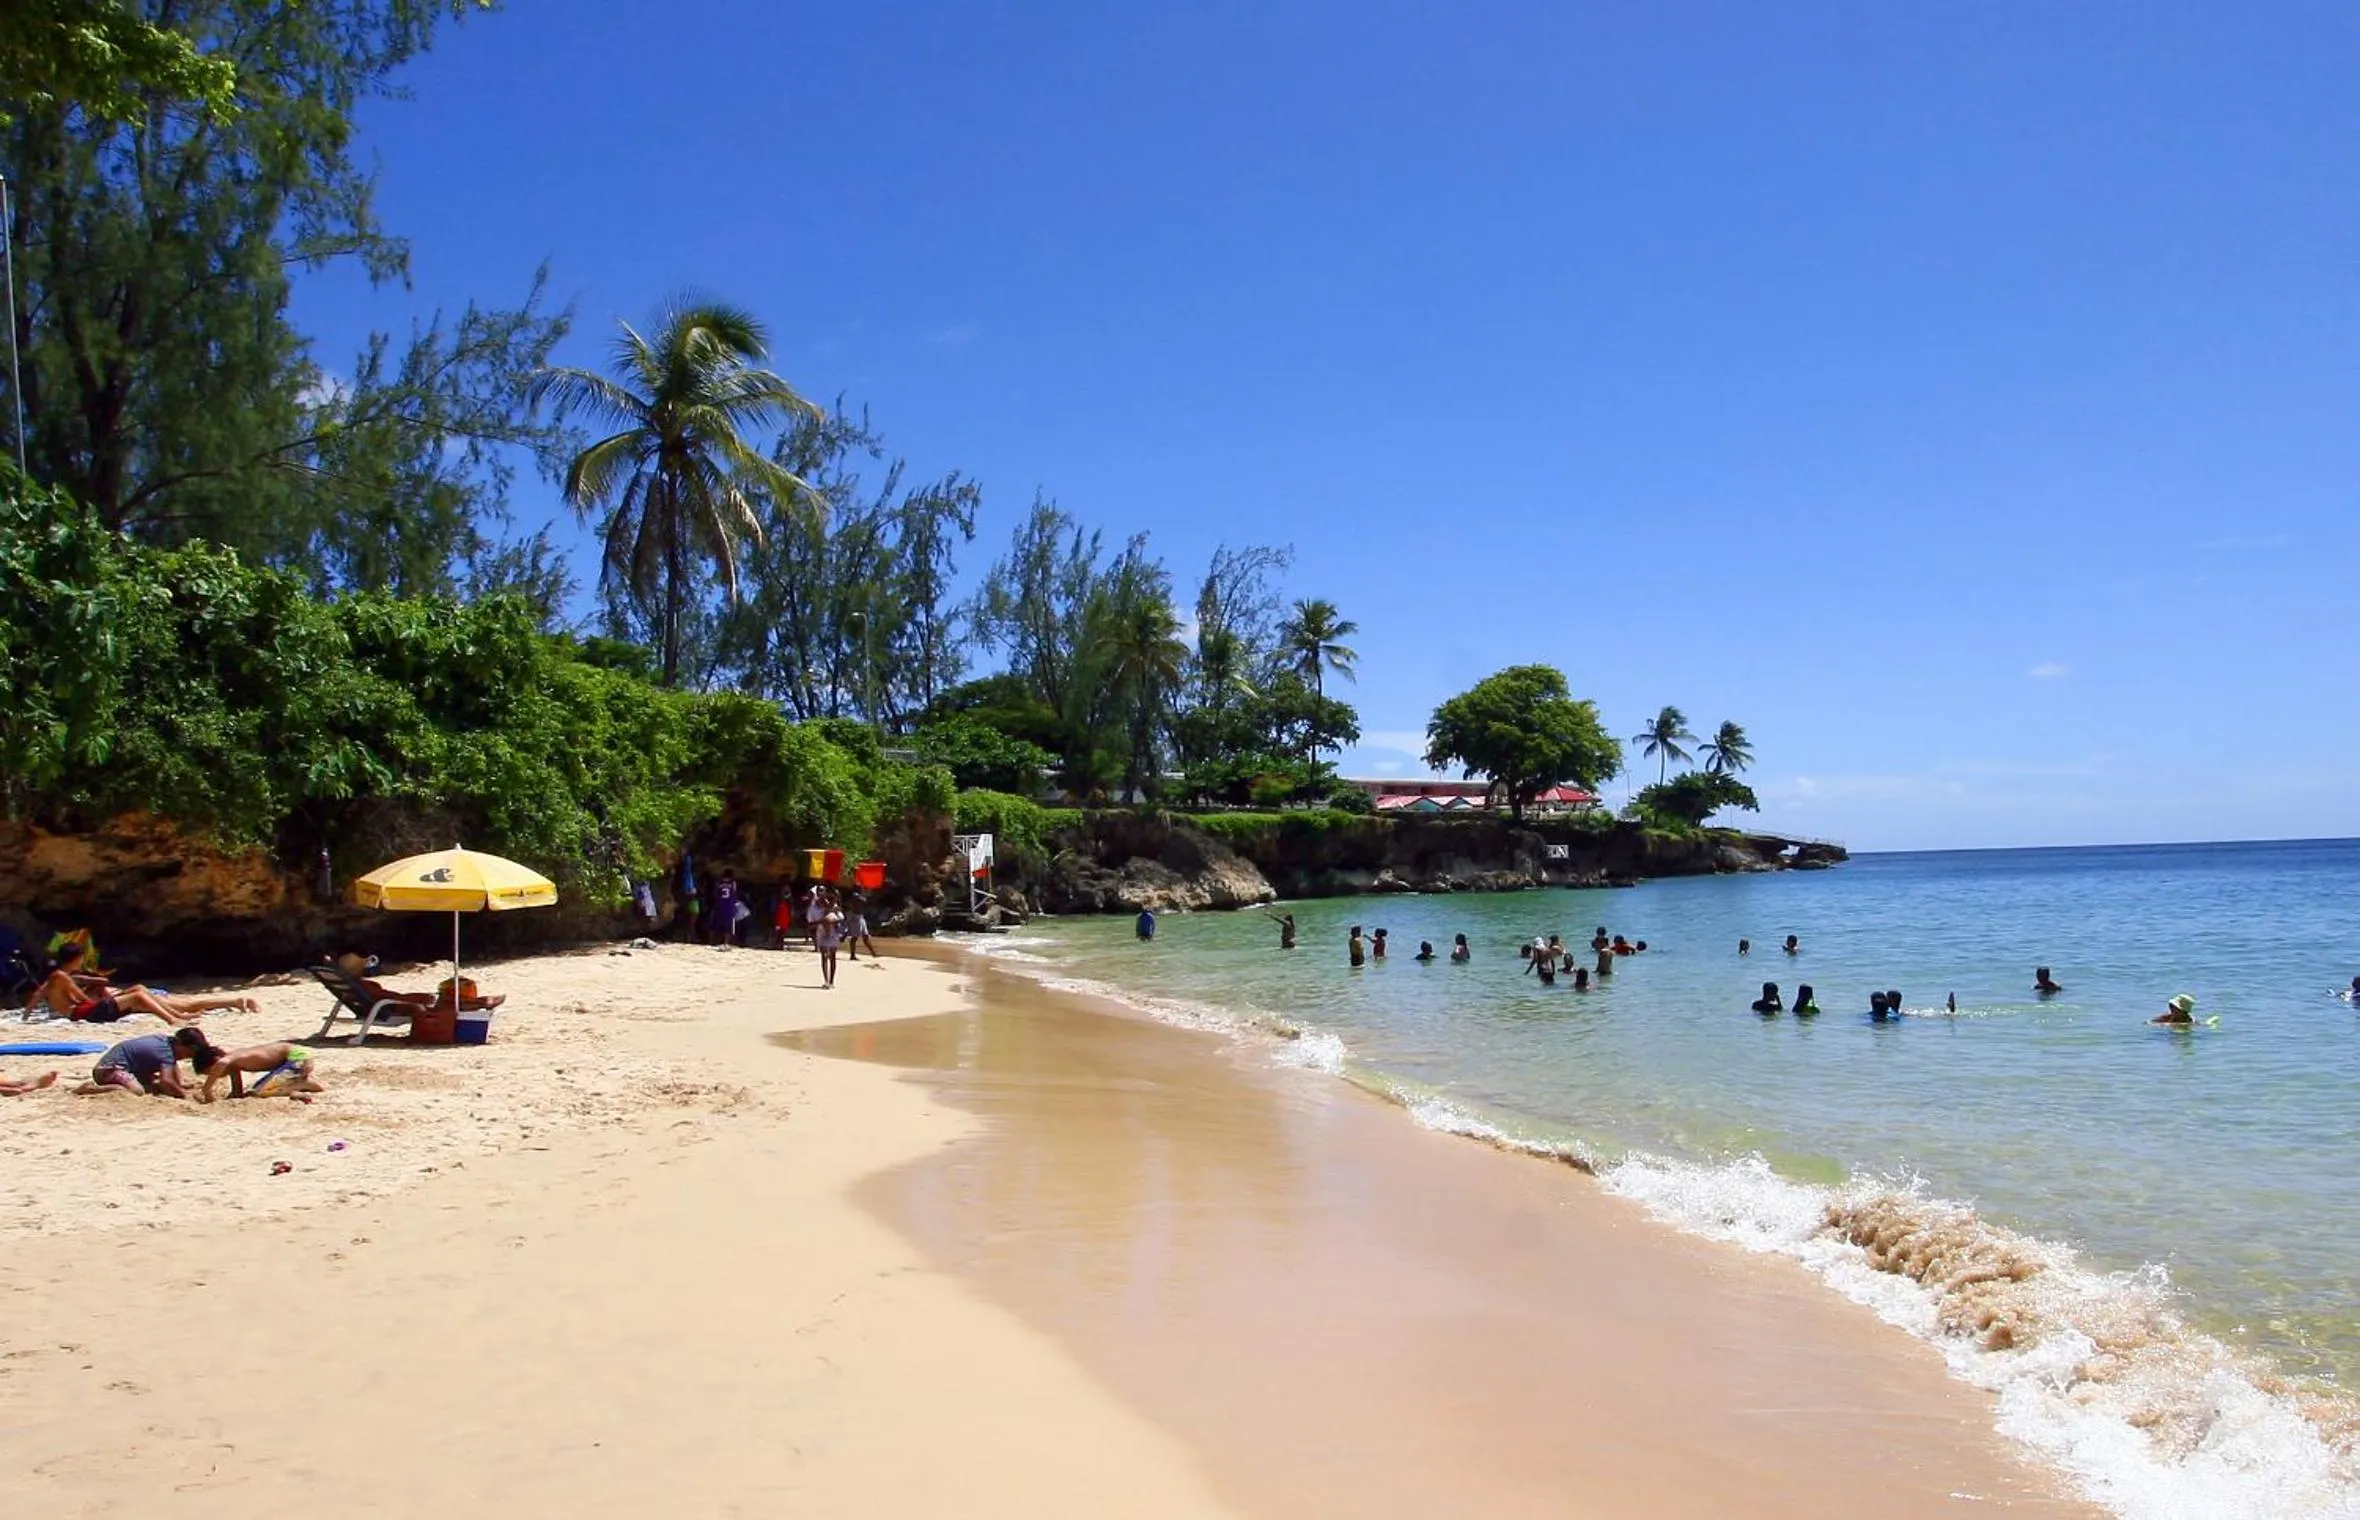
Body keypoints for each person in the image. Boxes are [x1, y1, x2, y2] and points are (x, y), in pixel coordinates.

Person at [25, 942, 253, 1026]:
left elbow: (37, 995)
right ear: (75, 959)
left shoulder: (56, 977)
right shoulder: (62, 977)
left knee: (140, 990)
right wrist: (103, 995)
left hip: (83, 1011)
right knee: (138, 996)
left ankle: (180, 1013)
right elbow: (81, 1000)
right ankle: (173, 1018)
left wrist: (26, 1016)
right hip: (84, 1013)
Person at [330, 950, 502, 1013]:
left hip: (388, 1004)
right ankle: (478, 1002)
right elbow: (384, 998)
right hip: (392, 1006)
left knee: (434, 999)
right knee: (435, 1002)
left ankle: (476, 1002)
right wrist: (407, 998)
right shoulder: (365, 985)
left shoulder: (357, 985)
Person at [76, 1028, 208, 1097]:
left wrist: (180, 1084)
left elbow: (172, 1063)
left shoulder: (164, 1041)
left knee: (155, 1085)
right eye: (189, 1053)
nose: (187, 1057)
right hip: (109, 1070)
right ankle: (89, 1089)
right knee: (137, 1091)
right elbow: (166, 1081)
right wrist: (183, 1094)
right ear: (180, 1045)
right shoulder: (165, 1052)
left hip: (118, 1066)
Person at [195, 1039, 321, 1102]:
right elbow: (237, 1093)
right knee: (255, 1090)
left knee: (261, 1092)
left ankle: (301, 1085)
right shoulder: (234, 1065)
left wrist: (206, 1090)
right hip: (292, 1062)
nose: (216, 1075)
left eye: (210, 1072)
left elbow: (221, 1064)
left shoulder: (230, 1058)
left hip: (299, 1058)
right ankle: (298, 1081)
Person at [814, 900, 844, 989]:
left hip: (833, 936)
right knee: (824, 957)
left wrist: (833, 922)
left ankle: (831, 981)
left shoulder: (837, 914)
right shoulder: (820, 912)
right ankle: (826, 980)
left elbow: (841, 923)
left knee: (832, 958)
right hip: (822, 934)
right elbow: (813, 922)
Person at [847, 896, 878, 961]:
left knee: (866, 936)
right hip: (855, 917)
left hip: (860, 917)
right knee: (854, 937)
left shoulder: (859, 896)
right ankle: (852, 955)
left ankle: (873, 953)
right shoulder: (855, 895)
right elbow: (862, 901)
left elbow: (864, 901)